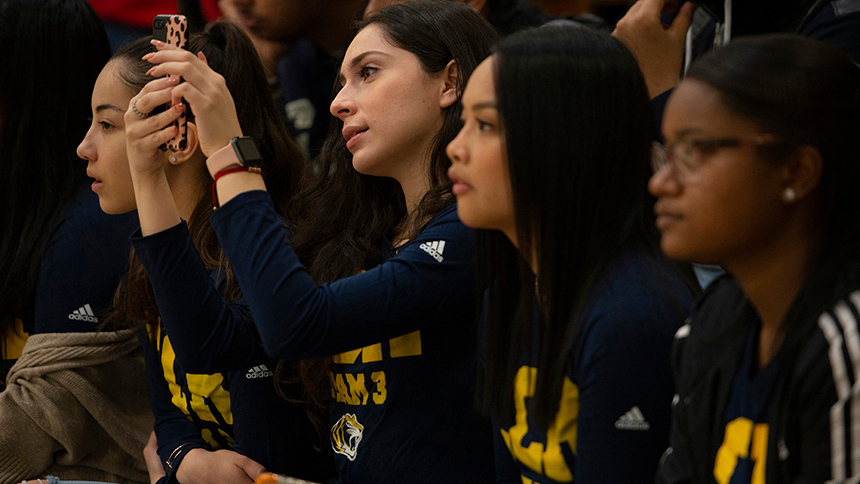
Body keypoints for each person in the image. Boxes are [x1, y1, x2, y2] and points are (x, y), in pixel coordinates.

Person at [141, 1, 499, 481]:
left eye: (368, 73)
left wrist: (230, 152)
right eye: (341, 81)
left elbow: (295, 324)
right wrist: (148, 179)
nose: (338, 102)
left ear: (450, 82)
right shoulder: (358, 235)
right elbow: (209, 346)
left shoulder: (472, 230)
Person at [77, 23, 335, 484]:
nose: (84, 147)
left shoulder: (257, 258)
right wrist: (188, 460)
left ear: (178, 140)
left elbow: (259, 466)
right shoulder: (154, 249)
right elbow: (167, 418)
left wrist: (177, 469)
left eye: (107, 124)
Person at [445, 24, 696, 483]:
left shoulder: (631, 319)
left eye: (484, 125)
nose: (455, 147)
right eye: (463, 122)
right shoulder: (510, 291)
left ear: (564, 139)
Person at [648, 34, 860, 483]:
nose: (661, 182)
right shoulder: (710, 320)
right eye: (667, 152)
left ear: (797, 171)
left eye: (694, 151)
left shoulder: (847, 343)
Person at [0, 0, 150, 481]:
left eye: (106, 125)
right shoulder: (31, 204)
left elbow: (26, 431)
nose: (90, 144)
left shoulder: (92, 227)